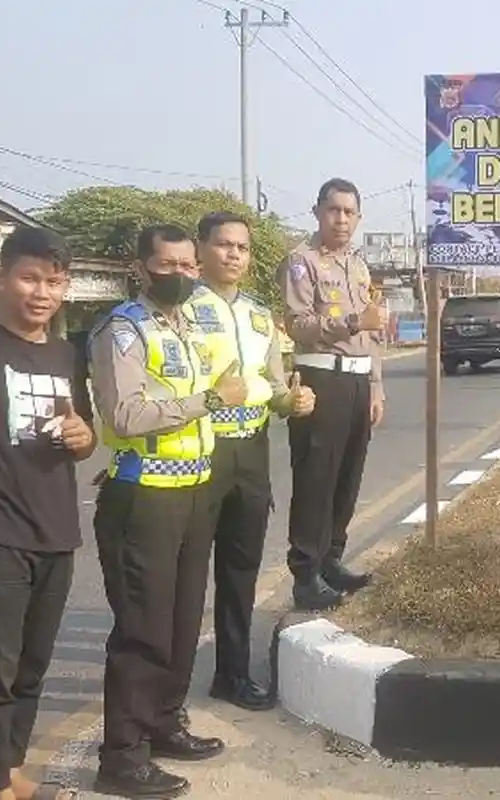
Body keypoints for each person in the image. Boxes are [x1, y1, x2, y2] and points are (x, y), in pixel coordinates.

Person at [89, 224, 247, 799]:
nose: (180, 274)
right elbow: (126, 416)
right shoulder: (122, 330)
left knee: (182, 620)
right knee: (143, 628)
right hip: (143, 498)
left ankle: (163, 722)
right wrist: (208, 400)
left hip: (191, 491)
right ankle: (122, 756)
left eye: (187, 266)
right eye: (167, 265)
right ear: (140, 267)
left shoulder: (183, 329)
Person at [0, 226, 96, 800]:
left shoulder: (68, 354)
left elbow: (85, 439)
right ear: (1, 276)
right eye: (30, 277)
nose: (43, 292)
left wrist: (82, 435)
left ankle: (5, 764)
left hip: (56, 528)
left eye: (55, 281)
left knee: (31, 666)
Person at [183, 212, 317, 711]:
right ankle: (165, 689)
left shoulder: (261, 315)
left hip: (251, 451)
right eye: (223, 245)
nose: (234, 254)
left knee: (241, 571)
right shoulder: (181, 311)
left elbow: (277, 387)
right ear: (201, 249)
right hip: (199, 450)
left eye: (241, 247)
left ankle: (231, 673)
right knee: (189, 574)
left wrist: (293, 402)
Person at [279, 178, 386, 611]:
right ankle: (305, 574)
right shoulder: (301, 263)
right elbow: (297, 324)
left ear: (358, 217)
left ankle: (331, 559)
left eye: (349, 212)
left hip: (359, 381)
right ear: (318, 212)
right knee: (315, 480)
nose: (341, 219)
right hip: (321, 379)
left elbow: (375, 333)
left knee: (347, 476)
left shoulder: (358, 266)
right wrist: (352, 323)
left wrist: (376, 384)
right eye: (333, 210)